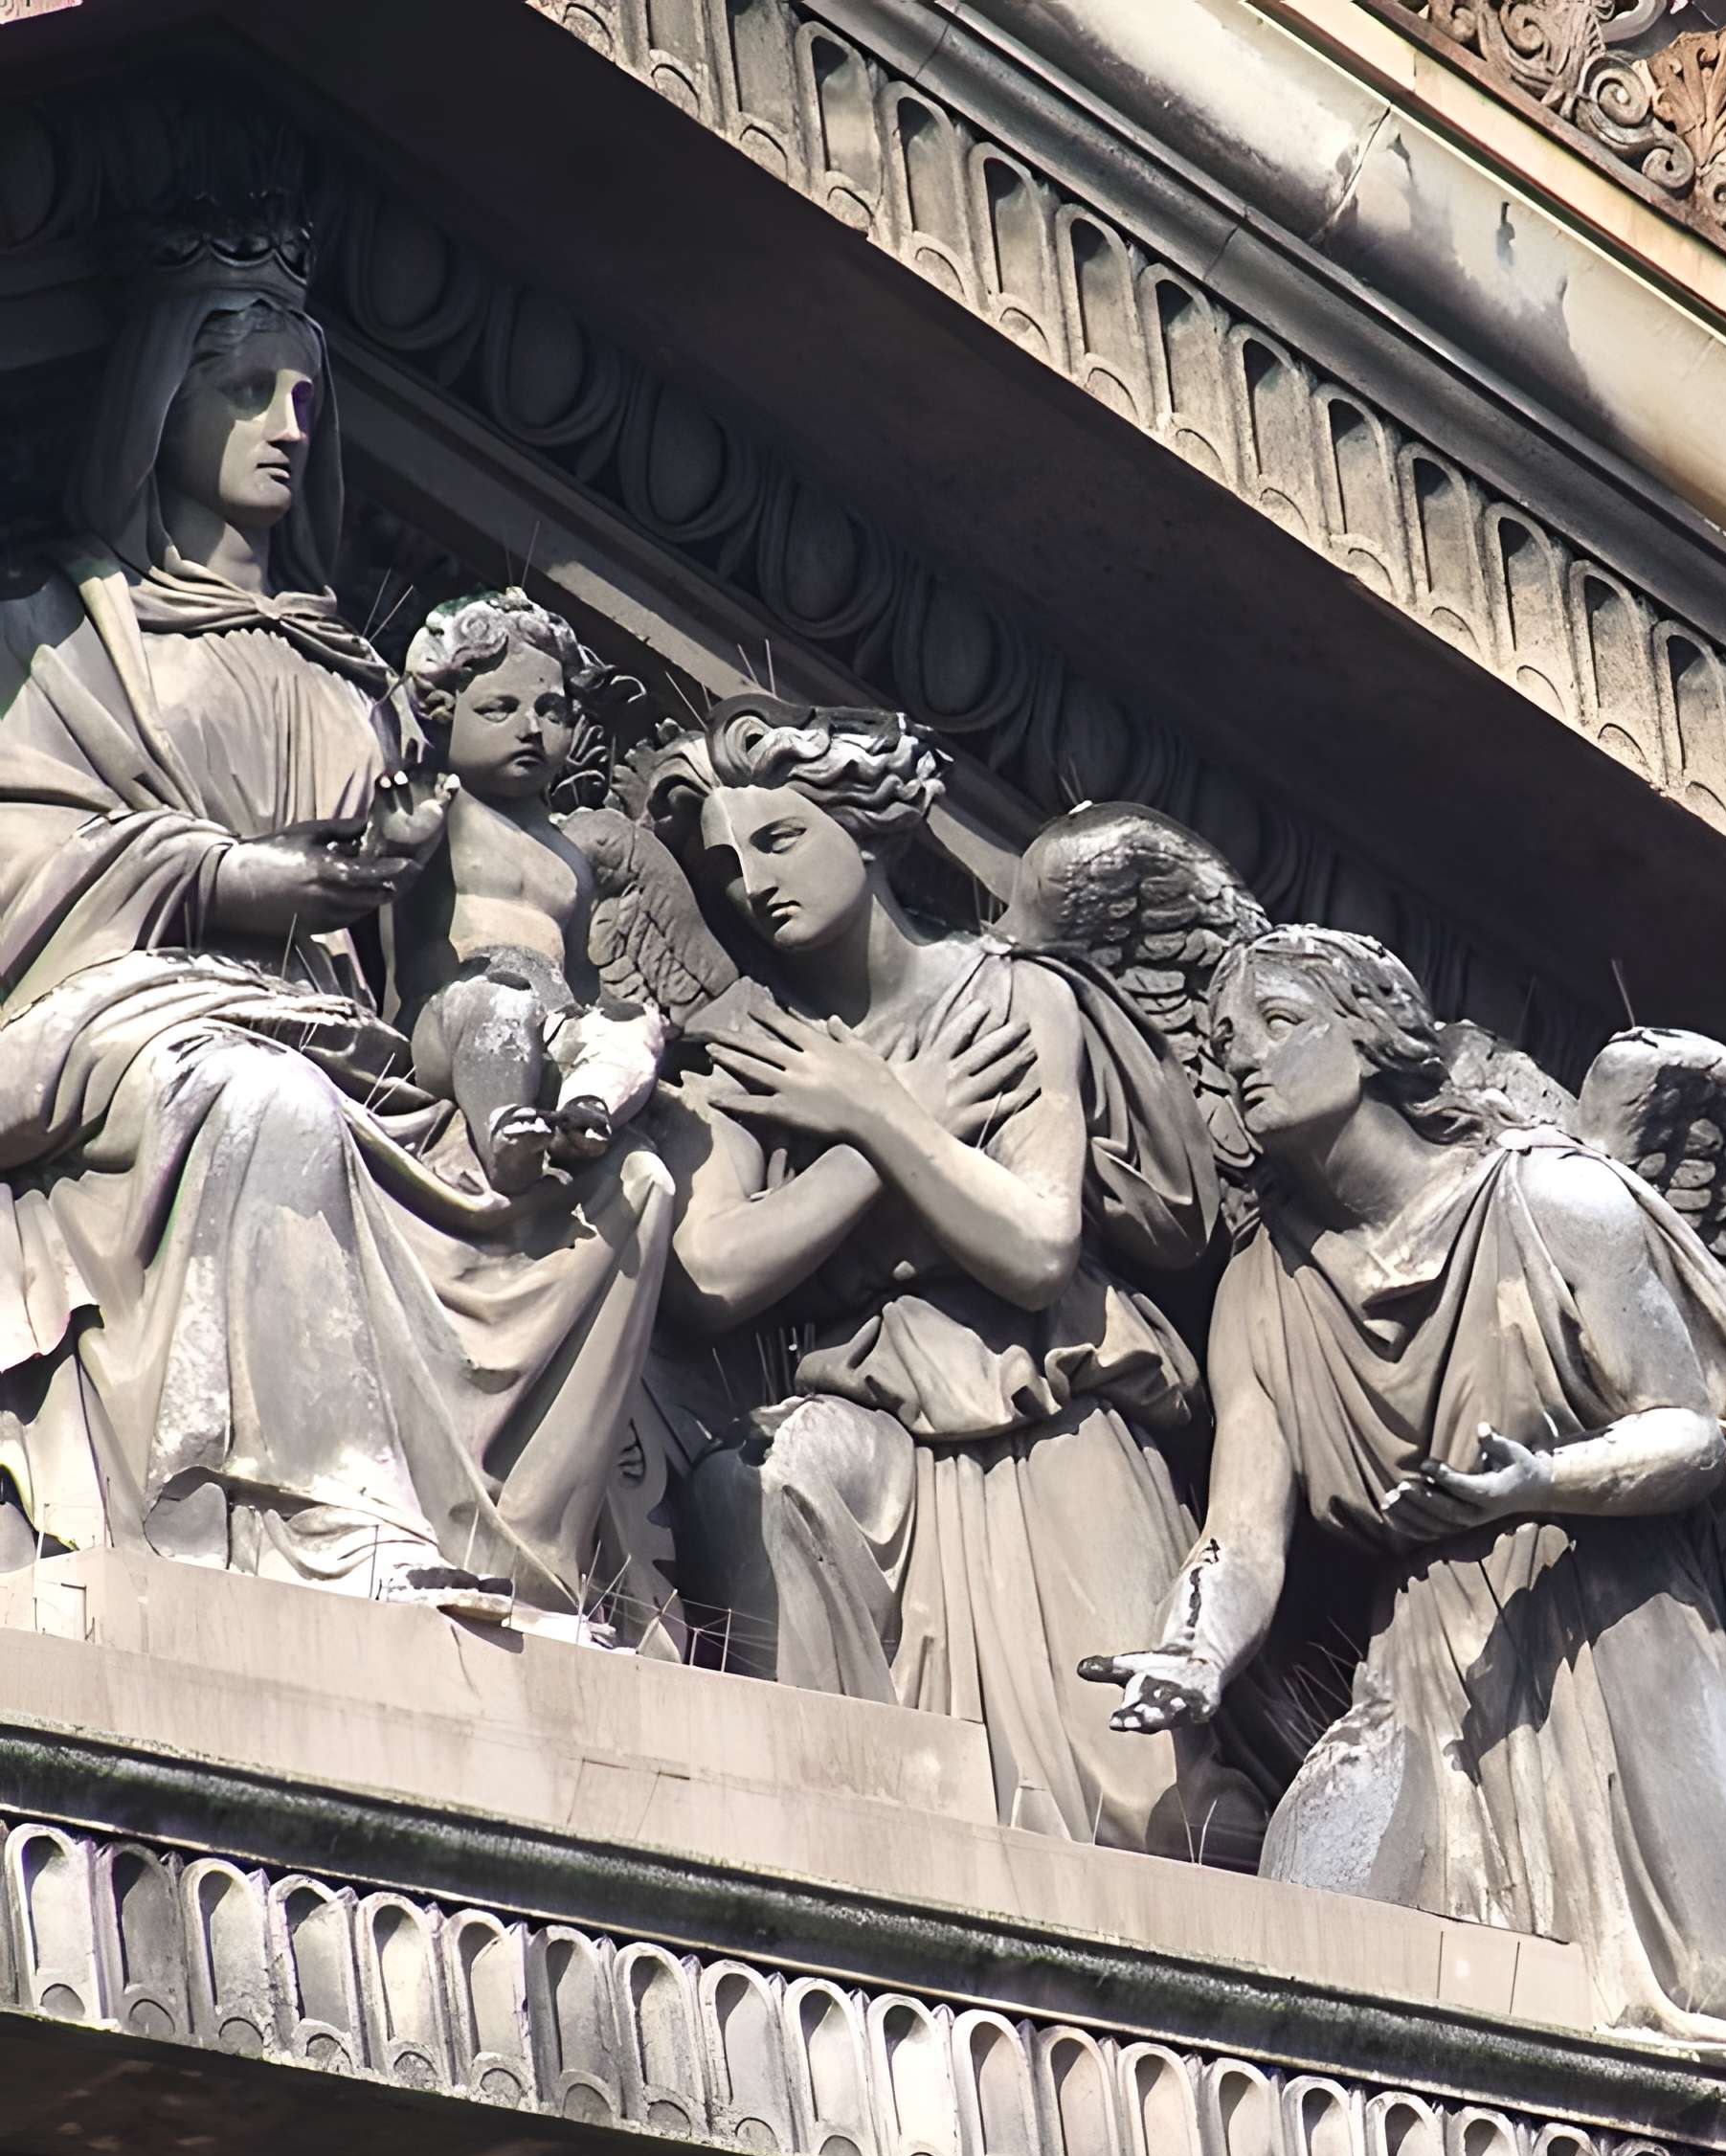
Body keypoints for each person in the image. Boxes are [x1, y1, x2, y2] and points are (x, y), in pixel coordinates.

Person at [1084, 927, 1726, 2122]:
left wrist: (1536, 1484)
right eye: (1219, 1044)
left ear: (1371, 1035)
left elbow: (1691, 1434)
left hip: (1618, 1625)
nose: (1240, 1062)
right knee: (1320, 1913)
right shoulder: (1264, 1285)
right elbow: (1242, 1534)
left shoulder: (1554, 1199)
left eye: (1277, 1024)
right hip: (1429, 1667)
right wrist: (1196, 1652)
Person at [0, 216, 673, 1614]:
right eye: (245, 388)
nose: (290, 426)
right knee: (266, 1103)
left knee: (624, 1193)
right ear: (152, 402)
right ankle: (331, 1523)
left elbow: (424, 956)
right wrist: (237, 876)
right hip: (130, 1014)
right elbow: (22, 861)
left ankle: (529, 1566)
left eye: (308, 395)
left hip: (341, 1027)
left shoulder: (356, 675)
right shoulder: (54, 626)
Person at [653, 696, 1261, 1858]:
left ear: (869, 829)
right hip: (871, 1419)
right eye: (723, 864)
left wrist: (880, 1116)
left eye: (779, 839)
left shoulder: (1012, 993)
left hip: (1049, 1416)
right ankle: (837, 1847)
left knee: (1136, 1821)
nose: (749, 884)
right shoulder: (748, 1047)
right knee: (753, 1485)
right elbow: (709, 1276)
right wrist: (885, 1135)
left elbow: (1033, 1248)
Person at [387, 589, 666, 1193]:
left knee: (635, 1025)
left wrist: (599, 1021)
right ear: (441, 710)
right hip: (453, 1013)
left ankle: (585, 1111)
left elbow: (583, 974)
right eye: (500, 709)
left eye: (552, 710)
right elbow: (388, 906)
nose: (531, 729)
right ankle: (503, 1138)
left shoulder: (568, 856)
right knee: (500, 1002)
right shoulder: (438, 808)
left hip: (554, 1021)